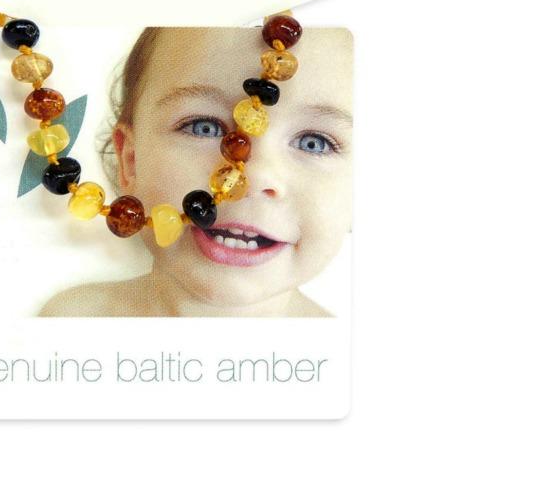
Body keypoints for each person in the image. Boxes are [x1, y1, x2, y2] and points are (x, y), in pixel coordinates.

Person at [40, 25, 352, 317]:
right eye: (204, 127)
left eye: (315, 144)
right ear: (131, 161)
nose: (253, 177)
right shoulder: (70, 318)